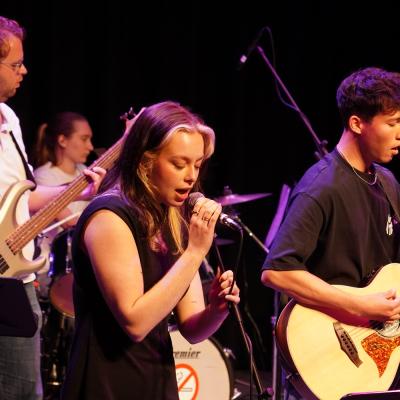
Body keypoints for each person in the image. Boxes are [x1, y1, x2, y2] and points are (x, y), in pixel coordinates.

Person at [61, 101, 240, 400]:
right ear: (145, 162)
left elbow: (192, 330)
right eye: (179, 164)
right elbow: (135, 322)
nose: (191, 176)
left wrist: (216, 310)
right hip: (106, 384)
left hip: (156, 382)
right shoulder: (109, 217)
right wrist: (194, 253)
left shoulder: (173, 219)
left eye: (197, 165)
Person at [261, 66, 400, 398]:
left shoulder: (388, 183)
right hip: (330, 353)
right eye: (392, 123)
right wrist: (360, 304)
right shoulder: (321, 187)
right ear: (357, 123)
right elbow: (277, 272)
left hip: (376, 354)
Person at [0, 16, 105, 400]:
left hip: (16, 269)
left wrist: (81, 190)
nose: (24, 70)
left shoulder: (9, 119)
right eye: (15, 64)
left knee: (26, 388)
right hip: (7, 273)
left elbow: (22, 196)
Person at [32, 112, 94, 283]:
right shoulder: (43, 177)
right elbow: (70, 223)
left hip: (81, 262)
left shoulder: (85, 172)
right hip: (53, 270)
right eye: (84, 139)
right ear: (62, 141)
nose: (90, 146)